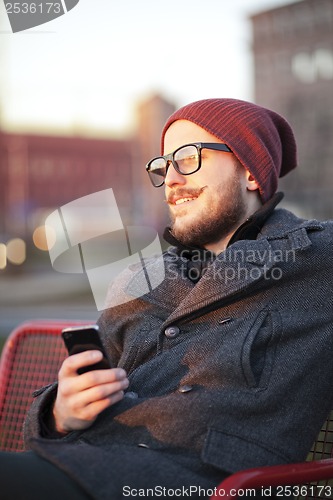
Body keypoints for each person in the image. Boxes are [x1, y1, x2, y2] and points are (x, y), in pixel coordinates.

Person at [1, 98, 333, 499]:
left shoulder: (316, 257)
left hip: (184, 484)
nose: (171, 179)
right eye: (163, 166)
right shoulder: (136, 279)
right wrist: (61, 412)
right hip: (78, 462)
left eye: (188, 158)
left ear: (249, 170)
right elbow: (76, 389)